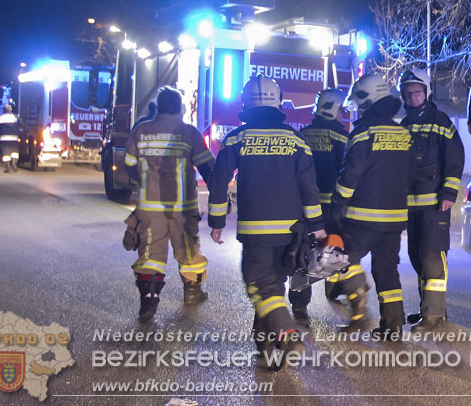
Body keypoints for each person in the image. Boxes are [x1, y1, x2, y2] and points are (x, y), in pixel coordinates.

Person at [207, 75, 324, 369]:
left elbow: (219, 180)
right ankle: (266, 346)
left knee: (261, 286)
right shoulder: (296, 140)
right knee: (273, 286)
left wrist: (217, 219)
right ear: (278, 101)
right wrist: (317, 225)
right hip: (291, 232)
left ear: (246, 103)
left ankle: (287, 335)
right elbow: (309, 187)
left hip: (256, 232)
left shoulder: (236, 138)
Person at [328, 73, 413, 340]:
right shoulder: (404, 133)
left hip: (362, 217)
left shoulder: (363, 133)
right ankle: (393, 326)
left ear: (369, 100)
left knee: (343, 259)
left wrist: (337, 203)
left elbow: (350, 174)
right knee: (388, 270)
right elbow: (411, 174)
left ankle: (359, 310)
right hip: (395, 217)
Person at [124, 87, 215, 323]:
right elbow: (207, 167)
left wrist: (142, 183)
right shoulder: (189, 133)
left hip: (149, 208)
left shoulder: (141, 131)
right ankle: (192, 293)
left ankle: (148, 303)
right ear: (180, 108)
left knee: (150, 256)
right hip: (182, 209)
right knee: (188, 251)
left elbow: (129, 164)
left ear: (158, 107)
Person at [398, 69, 464, 332]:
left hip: (435, 204)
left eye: (417, 92)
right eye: (408, 93)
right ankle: (429, 308)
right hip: (411, 207)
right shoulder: (404, 126)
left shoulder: (441, 121)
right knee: (416, 257)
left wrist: (449, 195)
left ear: (426, 92)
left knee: (432, 256)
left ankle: (434, 316)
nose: (413, 97)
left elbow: (455, 158)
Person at [288, 88, 348, 327]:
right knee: (331, 248)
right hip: (331, 205)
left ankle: (299, 305)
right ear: (334, 109)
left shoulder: (302, 135)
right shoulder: (343, 137)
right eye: (341, 109)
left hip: (304, 205)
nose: (343, 114)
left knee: (303, 251)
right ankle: (333, 288)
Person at [0, 104, 23, 173]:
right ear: (10, 110)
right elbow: (21, 127)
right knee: (15, 152)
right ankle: (14, 165)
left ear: (4, 110)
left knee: (6, 153)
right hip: (14, 137)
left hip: (4, 137)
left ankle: (8, 167)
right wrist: (18, 131)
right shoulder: (15, 117)